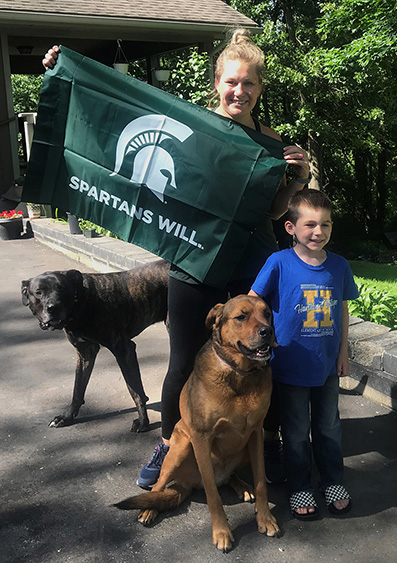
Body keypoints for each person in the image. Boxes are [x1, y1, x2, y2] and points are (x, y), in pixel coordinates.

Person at [42, 30, 311, 489]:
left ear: (259, 88)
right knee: (184, 360)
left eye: (248, 84)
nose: (238, 91)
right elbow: (121, 108)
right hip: (194, 261)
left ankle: (264, 444)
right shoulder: (191, 126)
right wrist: (64, 71)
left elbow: (269, 211)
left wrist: (296, 179)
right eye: (231, 82)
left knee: (265, 355)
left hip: (252, 263)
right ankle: (171, 442)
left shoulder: (269, 141)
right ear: (217, 82)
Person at [249, 188, 359, 520]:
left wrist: (344, 352)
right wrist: (264, 336)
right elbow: (253, 301)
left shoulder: (339, 266)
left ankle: (332, 480)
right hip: (290, 367)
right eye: (310, 224)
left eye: (325, 225)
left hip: (326, 366)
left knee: (328, 426)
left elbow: (341, 312)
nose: (318, 232)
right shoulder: (278, 262)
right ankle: (299, 484)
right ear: (291, 228)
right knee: (295, 432)